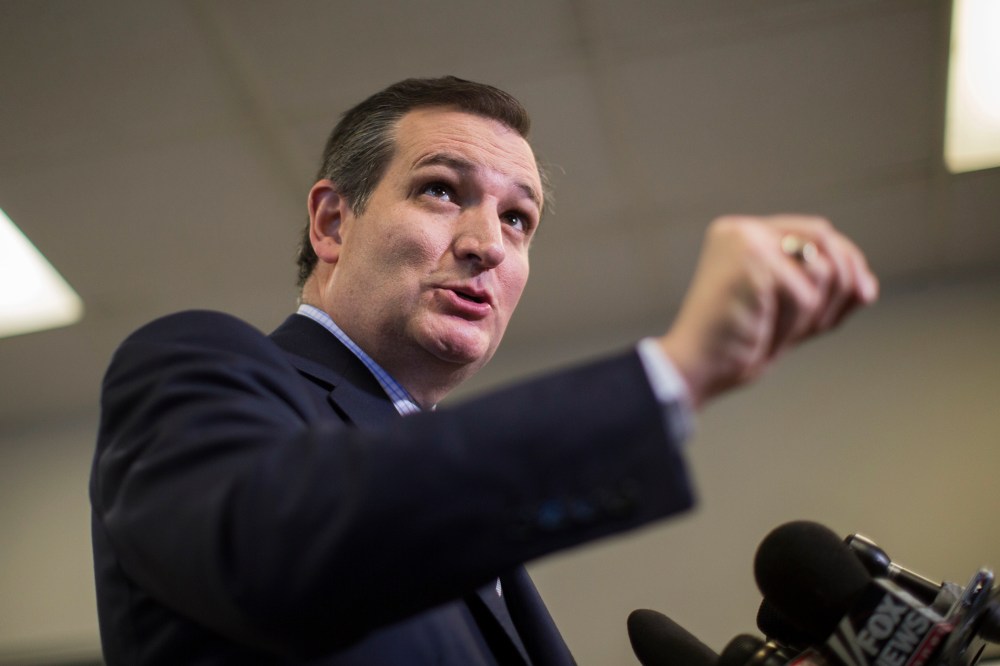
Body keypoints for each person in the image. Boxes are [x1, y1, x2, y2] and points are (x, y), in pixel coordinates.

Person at [90, 76, 878, 665]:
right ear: (333, 221)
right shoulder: (196, 364)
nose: (489, 244)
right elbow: (277, 554)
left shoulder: (454, 502)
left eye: (517, 218)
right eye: (440, 190)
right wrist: (673, 373)